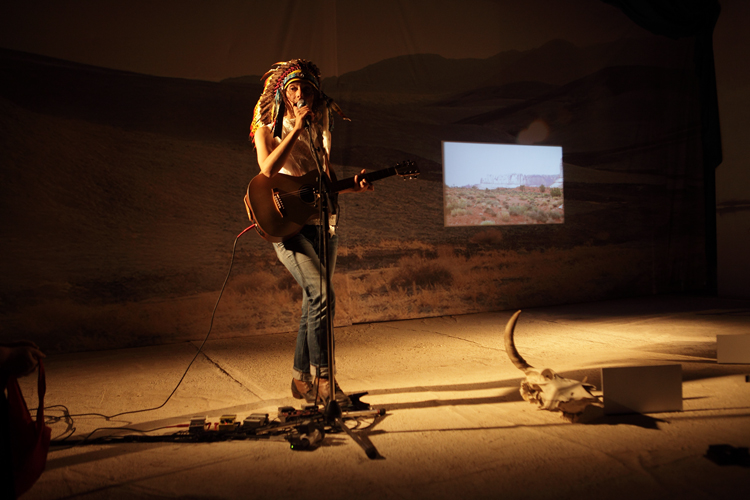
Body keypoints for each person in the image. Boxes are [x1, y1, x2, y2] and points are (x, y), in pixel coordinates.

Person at [250, 59, 372, 406]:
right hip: (288, 227)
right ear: (283, 95)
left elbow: (323, 183)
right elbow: (267, 168)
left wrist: (353, 187)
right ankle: (324, 379)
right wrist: (296, 129)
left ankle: (300, 379)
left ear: (315, 94)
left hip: (323, 224)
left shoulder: (319, 131)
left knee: (313, 301)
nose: (301, 93)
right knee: (322, 295)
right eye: (293, 88)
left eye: (306, 88)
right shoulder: (268, 129)